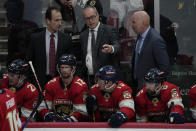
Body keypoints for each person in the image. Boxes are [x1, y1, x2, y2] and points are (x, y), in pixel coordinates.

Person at [26, 6, 73, 87]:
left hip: (60, 83)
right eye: (56, 20)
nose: (60, 23)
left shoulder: (66, 39)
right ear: (48, 21)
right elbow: (29, 62)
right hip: (39, 83)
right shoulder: (35, 38)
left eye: (60, 20)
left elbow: (70, 63)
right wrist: (32, 82)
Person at [39, 54, 89, 122]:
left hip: (74, 126)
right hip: (54, 124)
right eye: (62, 67)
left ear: (73, 69)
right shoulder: (51, 85)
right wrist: (47, 114)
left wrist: (69, 120)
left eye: (67, 67)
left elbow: (82, 112)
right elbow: (42, 108)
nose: (64, 70)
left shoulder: (80, 86)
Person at [80, 6, 120, 86]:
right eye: (87, 18)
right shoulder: (83, 35)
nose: (90, 21)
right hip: (89, 79)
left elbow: (117, 46)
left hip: (107, 79)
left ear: (98, 15)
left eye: (92, 17)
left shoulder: (109, 30)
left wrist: (111, 48)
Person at [131, 10, 170, 91]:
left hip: (150, 89)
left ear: (143, 22)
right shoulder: (140, 36)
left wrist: (154, 85)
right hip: (138, 85)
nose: (132, 25)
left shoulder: (155, 40)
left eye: (134, 22)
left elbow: (164, 68)